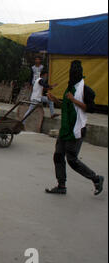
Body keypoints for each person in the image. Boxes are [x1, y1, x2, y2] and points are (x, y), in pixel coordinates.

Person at [45, 60, 104, 196]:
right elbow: (67, 106)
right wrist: (55, 100)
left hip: (77, 129)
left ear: (80, 73)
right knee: (58, 156)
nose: (72, 74)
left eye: (75, 72)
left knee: (72, 160)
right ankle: (61, 185)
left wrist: (73, 99)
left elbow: (90, 108)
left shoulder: (84, 89)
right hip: (65, 129)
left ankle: (96, 179)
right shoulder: (70, 88)